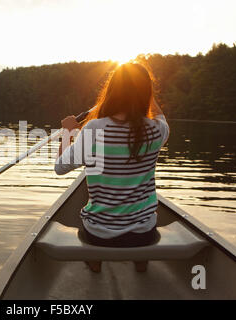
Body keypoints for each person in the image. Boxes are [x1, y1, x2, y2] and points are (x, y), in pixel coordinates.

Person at [54, 63, 169, 272]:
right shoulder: (157, 130)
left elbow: (59, 167)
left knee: (90, 223)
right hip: (143, 234)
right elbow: (160, 115)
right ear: (146, 93)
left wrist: (67, 132)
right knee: (145, 227)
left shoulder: (93, 129)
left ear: (112, 90)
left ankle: (95, 262)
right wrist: (144, 91)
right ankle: (141, 262)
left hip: (99, 234)